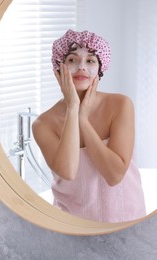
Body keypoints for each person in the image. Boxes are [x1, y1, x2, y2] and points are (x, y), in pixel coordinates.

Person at [32, 29, 146, 223]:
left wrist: (83, 121)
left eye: (90, 60)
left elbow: (114, 175)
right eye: (72, 60)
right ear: (59, 69)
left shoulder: (120, 105)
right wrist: (73, 108)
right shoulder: (43, 124)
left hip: (126, 221)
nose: (81, 67)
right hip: (71, 225)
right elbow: (67, 171)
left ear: (100, 69)